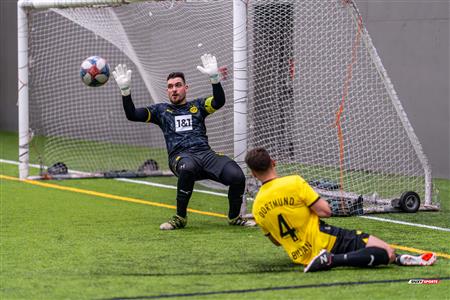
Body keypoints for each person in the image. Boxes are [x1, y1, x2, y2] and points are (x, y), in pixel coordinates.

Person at [112, 54, 255, 230]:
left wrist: (214, 78)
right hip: (180, 158)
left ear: (186, 88)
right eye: (170, 86)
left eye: (178, 85)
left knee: (237, 176)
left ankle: (234, 218)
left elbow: (219, 101)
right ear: (167, 91)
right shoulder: (161, 111)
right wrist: (125, 92)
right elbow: (132, 114)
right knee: (187, 168)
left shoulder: (198, 106)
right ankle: (180, 218)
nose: (174, 89)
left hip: (206, 155)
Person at [244, 147, 437, 272]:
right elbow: (325, 211)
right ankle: (330, 260)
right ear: (273, 162)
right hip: (325, 239)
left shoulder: (257, 205)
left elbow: (277, 242)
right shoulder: (293, 182)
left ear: (253, 173)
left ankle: (401, 259)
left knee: (390, 253)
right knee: (385, 252)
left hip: (300, 256)